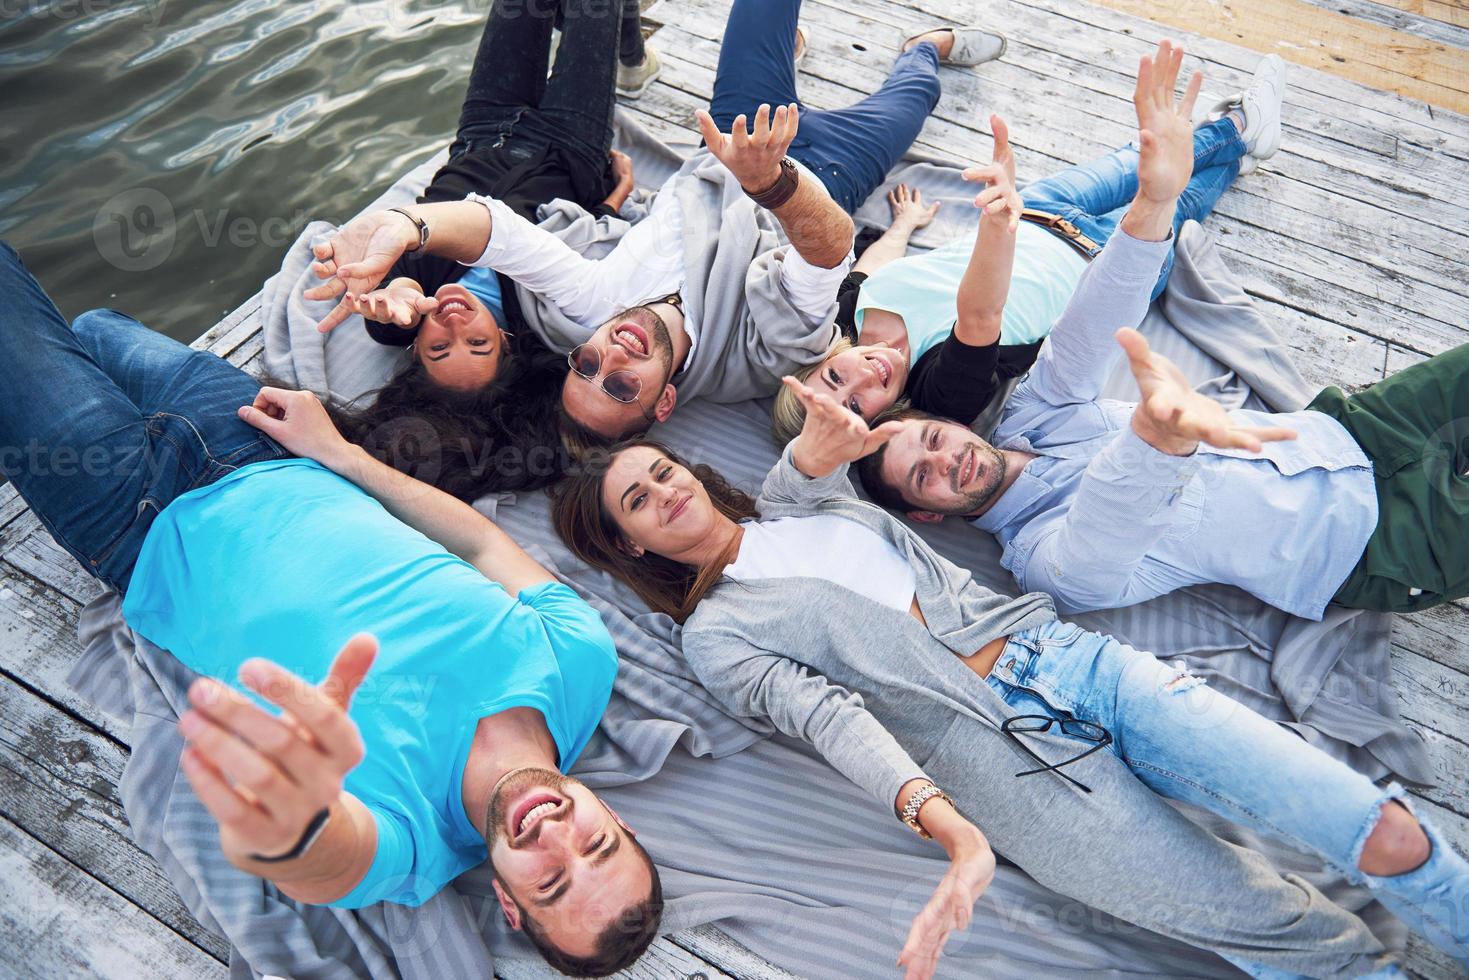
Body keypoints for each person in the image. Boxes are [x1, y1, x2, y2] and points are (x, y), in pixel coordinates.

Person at [549, 48, 1469, 976]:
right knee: (1293, 940)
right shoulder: (717, 636)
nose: (665, 489)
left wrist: (1146, 209)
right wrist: (952, 834)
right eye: (640, 498)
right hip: (1017, 781)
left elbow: (842, 434)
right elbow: (836, 725)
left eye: (660, 472)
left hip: (1084, 669)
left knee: (1381, 832)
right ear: (630, 542)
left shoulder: (798, 494)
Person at [0, 243, 662, 976]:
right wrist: (341, 455)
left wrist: (290, 823)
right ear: (619, 820)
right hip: (260, 440)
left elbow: (318, 858)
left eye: (552, 882)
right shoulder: (580, 662)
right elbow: (477, 542)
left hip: (136, 519)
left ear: (509, 903)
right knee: (95, 326)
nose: (556, 838)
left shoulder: (411, 846)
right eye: (597, 844)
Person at [855, 81, 1469, 623]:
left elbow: (1091, 326)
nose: (945, 462)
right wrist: (1157, 438)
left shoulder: (1031, 418)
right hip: (1379, 545)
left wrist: (1153, 202)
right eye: (922, 477)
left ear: (949, 424)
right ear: (926, 516)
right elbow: (1102, 536)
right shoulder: (1040, 560)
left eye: (933, 442)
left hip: (1344, 431)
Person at [308, 0, 1010, 446]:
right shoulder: (761, 360)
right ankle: (921, 45)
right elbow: (826, 251)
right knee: (915, 90)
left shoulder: (594, 310)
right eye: (621, 385)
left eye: (587, 366)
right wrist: (771, 181)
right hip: (817, 180)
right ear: (665, 400)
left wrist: (403, 225)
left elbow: (497, 230)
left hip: (734, 136)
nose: (610, 355)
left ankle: (781, 59)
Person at [770, 52, 1288, 443]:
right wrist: (998, 224)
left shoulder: (843, 317)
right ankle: (1239, 127)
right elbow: (979, 316)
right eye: (857, 406)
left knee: (1140, 155)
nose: (862, 376)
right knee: (1173, 185)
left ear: (818, 363)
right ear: (879, 422)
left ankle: (1237, 146)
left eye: (836, 376)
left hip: (1039, 207)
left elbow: (869, 270)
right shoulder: (937, 394)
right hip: (1109, 256)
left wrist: (903, 226)